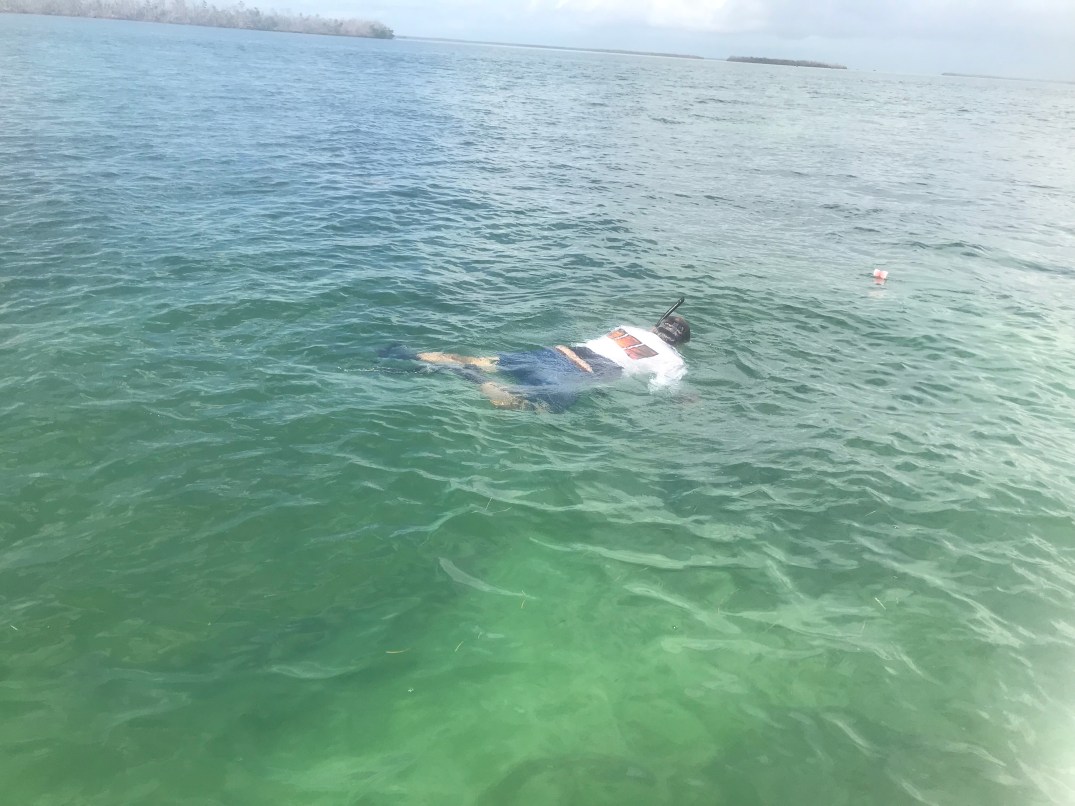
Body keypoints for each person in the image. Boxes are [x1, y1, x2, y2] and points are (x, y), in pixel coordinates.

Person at [412, 314, 691, 412]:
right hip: (587, 371)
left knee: (484, 361)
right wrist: (684, 398)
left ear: (656, 328)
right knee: (541, 407)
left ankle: (430, 357)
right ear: (678, 344)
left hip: (562, 352)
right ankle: (485, 384)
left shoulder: (626, 328)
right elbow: (661, 388)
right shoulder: (673, 360)